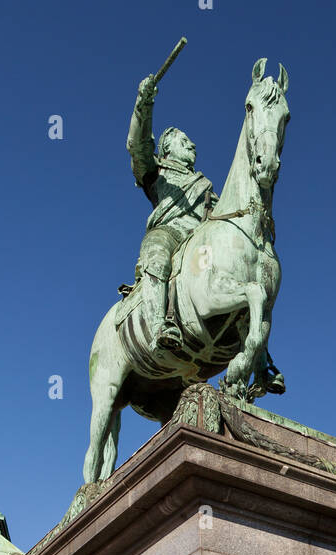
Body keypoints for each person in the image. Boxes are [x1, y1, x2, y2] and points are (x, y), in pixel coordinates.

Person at [126, 73, 218, 358]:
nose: (192, 145)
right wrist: (145, 103)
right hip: (170, 232)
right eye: (184, 141)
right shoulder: (157, 171)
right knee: (157, 252)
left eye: (191, 142)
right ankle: (158, 326)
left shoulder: (205, 185)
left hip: (200, 238)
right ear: (167, 149)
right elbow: (138, 145)